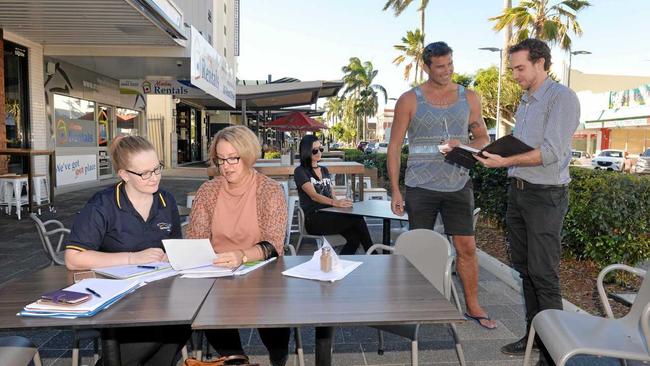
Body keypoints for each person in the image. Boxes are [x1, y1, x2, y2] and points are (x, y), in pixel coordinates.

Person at [475, 39, 580, 365]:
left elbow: (550, 153)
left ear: (541, 63)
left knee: (544, 275)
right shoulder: (526, 101)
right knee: (526, 272)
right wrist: (491, 153)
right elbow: (522, 147)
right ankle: (535, 336)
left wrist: (503, 162)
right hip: (519, 193)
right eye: (513, 69)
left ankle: (553, 353)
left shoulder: (561, 99)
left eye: (520, 68)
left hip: (545, 196)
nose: (516, 75)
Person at [386, 41, 497, 329]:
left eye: (450, 65)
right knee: (420, 247)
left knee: (467, 247)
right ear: (427, 66)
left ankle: (473, 306)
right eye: (440, 67)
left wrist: (467, 144)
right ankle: (419, 304)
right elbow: (395, 147)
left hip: (458, 183)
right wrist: (397, 190)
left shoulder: (469, 98)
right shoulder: (409, 100)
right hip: (420, 186)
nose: (446, 71)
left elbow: (483, 139)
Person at [64, 135, 187, 366]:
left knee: (179, 323)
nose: (154, 178)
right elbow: (73, 258)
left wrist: (173, 255)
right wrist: (132, 258)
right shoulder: (103, 204)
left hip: (159, 292)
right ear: (124, 175)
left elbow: (174, 245)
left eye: (157, 168)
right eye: (144, 173)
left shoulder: (166, 200)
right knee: (163, 331)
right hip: (117, 297)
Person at [186, 125, 290, 366]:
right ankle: (235, 359)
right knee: (209, 306)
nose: (226, 166)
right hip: (218, 273)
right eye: (221, 159)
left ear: (249, 156)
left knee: (273, 312)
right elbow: (196, 238)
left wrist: (242, 255)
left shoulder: (269, 190)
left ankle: (278, 358)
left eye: (234, 158)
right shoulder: (208, 191)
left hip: (263, 273)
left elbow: (274, 245)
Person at [294, 134, 373, 254]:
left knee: (354, 237)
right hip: (314, 219)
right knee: (357, 219)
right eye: (315, 150)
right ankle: (373, 254)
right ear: (306, 151)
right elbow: (313, 196)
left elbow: (331, 194)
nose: (319, 152)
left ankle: (341, 264)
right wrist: (335, 203)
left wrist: (341, 204)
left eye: (320, 149)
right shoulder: (300, 171)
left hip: (330, 214)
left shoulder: (324, 170)